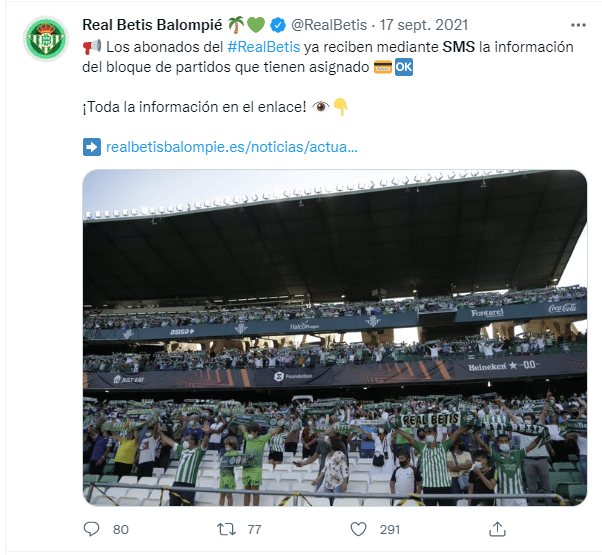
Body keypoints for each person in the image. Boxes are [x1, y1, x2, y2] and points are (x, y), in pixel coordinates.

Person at [394, 426, 469, 506]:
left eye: (429, 432)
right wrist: (395, 428)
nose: (427, 434)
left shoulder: (444, 446)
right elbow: (408, 437)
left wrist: (469, 424)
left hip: (444, 487)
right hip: (428, 488)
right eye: (426, 432)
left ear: (436, 434)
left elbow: (457, 433)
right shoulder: (421, 447)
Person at [475, 429, 544, 506]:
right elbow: (483, 445)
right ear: (497, 443)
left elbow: (532, 446)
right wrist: (475, 434)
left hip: (520, 495)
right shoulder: (496, 456)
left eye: (506, 441)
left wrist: (540, 436)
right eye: (501, 441)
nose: (504, 443)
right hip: (505, 497)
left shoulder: (517, 454)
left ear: (509, 443)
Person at [160, 421, 210, 506]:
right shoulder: (182, 450)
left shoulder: (198, 451)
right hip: (176, 484)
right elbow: (170, 441)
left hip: (189, 485)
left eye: (186, 440)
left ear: (192, 442)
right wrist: (161, 433)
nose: (184, 441)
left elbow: (204, 445)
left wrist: (206, 434)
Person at [238, 421, 284, 506]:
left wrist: (281, 424)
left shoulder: (263, 439)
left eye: (251, 432)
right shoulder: (247, 437)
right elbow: (242, 427)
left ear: (256, 432)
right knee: (246, 491)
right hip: (246, 468)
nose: (249, 434)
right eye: (248, 432)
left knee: (255, 492)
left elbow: (274, 432)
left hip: (256, 469)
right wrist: (238, 421)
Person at [311, 435, 349, 506]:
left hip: (337, 483)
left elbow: (345, 469)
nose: (327, 443)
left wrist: (345, 483)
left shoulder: (340, 455)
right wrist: (317, 479)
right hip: (327, 483)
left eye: (329, 442)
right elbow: (324, 469)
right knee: (325, 502)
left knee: (337, 502)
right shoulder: (328, 455)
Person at [447, 438, 473, 505]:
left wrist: (457, 465)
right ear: (455, 445)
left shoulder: (467, 453)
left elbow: (469, 465)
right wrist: (464, 466)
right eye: (460, 443)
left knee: (468, 499)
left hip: (466, 478)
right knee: (456, 500)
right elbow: (451, 467)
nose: (462, 444)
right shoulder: (449, 454)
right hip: (455, 479)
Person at [219, 437, 239, 506]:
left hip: (229, 476)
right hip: (222, 476)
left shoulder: (234, 453)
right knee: (222, 494)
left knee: (229, 495)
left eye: (227, 444)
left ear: (232, 445)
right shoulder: (225, 453)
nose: (225, 446)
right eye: (225, 444)